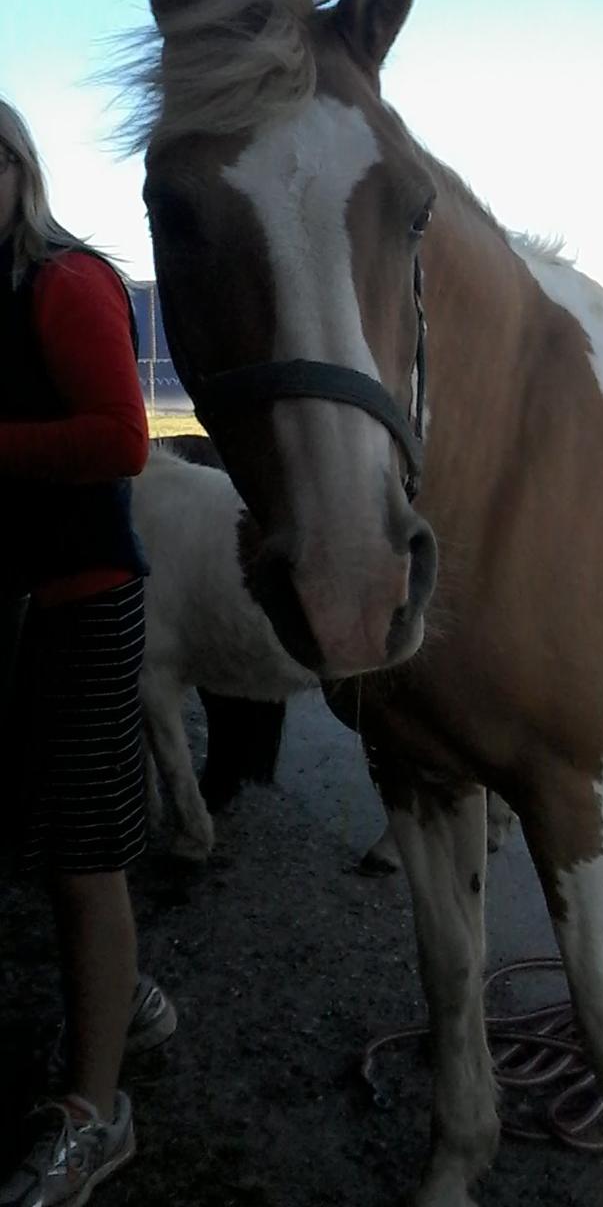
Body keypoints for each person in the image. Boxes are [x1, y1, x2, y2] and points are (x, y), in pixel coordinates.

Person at [0, 99, 175, 1206]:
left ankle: (96, 1113)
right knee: (43, 831)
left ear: (19, 170)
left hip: (81, 600)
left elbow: (124, 438)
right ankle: (127, 998)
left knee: (82, 851)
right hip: (21, 604)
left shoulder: (66, 281)